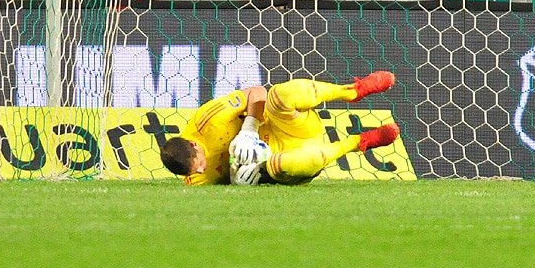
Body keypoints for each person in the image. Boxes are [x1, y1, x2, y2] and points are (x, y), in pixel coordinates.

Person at [159, 71, 400, 186]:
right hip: (290, 160)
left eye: (199, 160)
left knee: (278, 95)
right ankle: (359, 142)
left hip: (291, 127)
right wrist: (248, 176)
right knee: (277, 165)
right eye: (195, 170)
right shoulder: (197, 180)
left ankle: (352, 91)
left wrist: (249, 130)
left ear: (192, 143)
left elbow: (257, 92)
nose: (202, 167)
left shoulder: (209, 120)